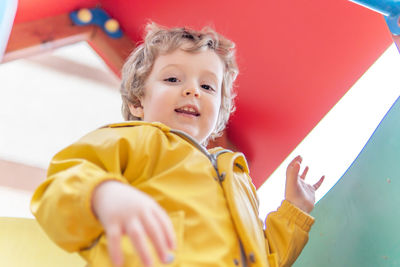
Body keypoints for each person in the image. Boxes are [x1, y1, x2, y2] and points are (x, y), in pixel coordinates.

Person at [31, 22, 324, 267]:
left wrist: (294, 210)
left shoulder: (238, 179)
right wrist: (103, 195)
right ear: (137, 102)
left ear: (219, 110)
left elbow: (263, 258)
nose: (192, 90)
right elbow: (60, 185)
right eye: (172, 78)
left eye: (207, 86)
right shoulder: (135, 139)